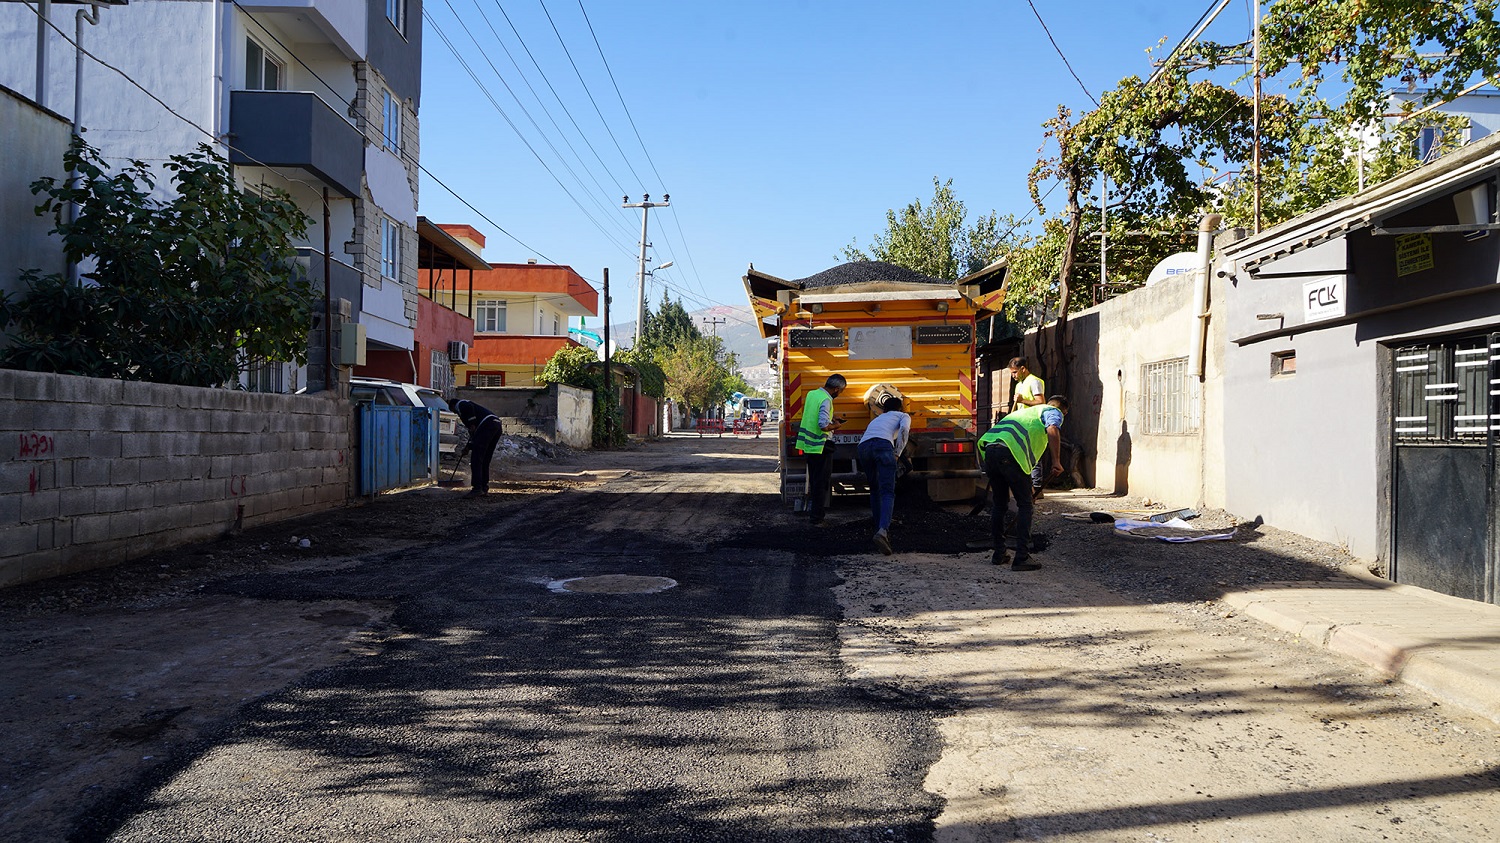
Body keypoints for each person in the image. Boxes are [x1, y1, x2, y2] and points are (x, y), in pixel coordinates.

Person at [978, 395, 1068, 571]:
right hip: (1011, 454)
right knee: (1025, 505)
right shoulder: (1053, 411)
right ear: (1064, 410)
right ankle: (1021, 557)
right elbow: (1052, 428)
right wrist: (1056, 461)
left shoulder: (1026, 413)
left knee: (999, 505)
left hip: (990, 451)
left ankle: (999, 554)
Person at [858, 395, 910, 555]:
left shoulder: (877, 419)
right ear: (900, 408)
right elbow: (904, 430)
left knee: (874, 489)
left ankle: (878, 525)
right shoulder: (903, 416)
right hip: (883, 446)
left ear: (884, 409)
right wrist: (897, 453)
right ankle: (883, 531)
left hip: (863, 448)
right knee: (887, 491)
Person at [796, 374, 847, 526]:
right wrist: (835, 425)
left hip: (809, 446)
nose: (840, 394)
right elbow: (823, 425)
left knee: (814, 481)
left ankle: (815, 515)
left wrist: (831, 419)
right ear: (836, 389)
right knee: (821, 483)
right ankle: (817, 518)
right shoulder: (826, 400)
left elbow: (814, 416)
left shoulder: (813, 394)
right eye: (841, 391)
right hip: (821, 446)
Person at [1008, 357, 1048, 498]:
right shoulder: (1019, 385)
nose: (1013, 375)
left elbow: (1041, 401)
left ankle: (1037, 488)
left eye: (1014, 372)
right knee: (1024, 456)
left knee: (1034, 456)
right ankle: (1029, 487)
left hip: (1033, 425)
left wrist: (1022, 400)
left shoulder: (1034, 381)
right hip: (1022, 424)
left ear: (1023, 369)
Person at [449, 397, 503, 498]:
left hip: (486, 425)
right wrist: (468, 447)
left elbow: (468, 408)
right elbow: (476, 436)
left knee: (476, 459)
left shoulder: (461, 404)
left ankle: (477, 488)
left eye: (454, 411)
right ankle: (484, 488)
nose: (456, 413)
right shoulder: (477, 413)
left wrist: (472, 423)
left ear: (452, 406)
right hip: (496, 425)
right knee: (485, 459)